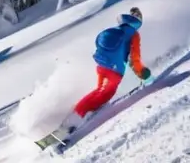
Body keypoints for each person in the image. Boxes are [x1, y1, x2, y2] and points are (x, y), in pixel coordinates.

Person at [57, 7, 152, 136]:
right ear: (138, 20)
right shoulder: (133, 35)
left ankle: (74, 117)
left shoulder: (117, 30)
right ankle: (74, 122)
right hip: (114, 71)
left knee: (98, 91)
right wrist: (143, 73)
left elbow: (100, 43)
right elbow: (134, 59)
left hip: (101, 67)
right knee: (103, 94)